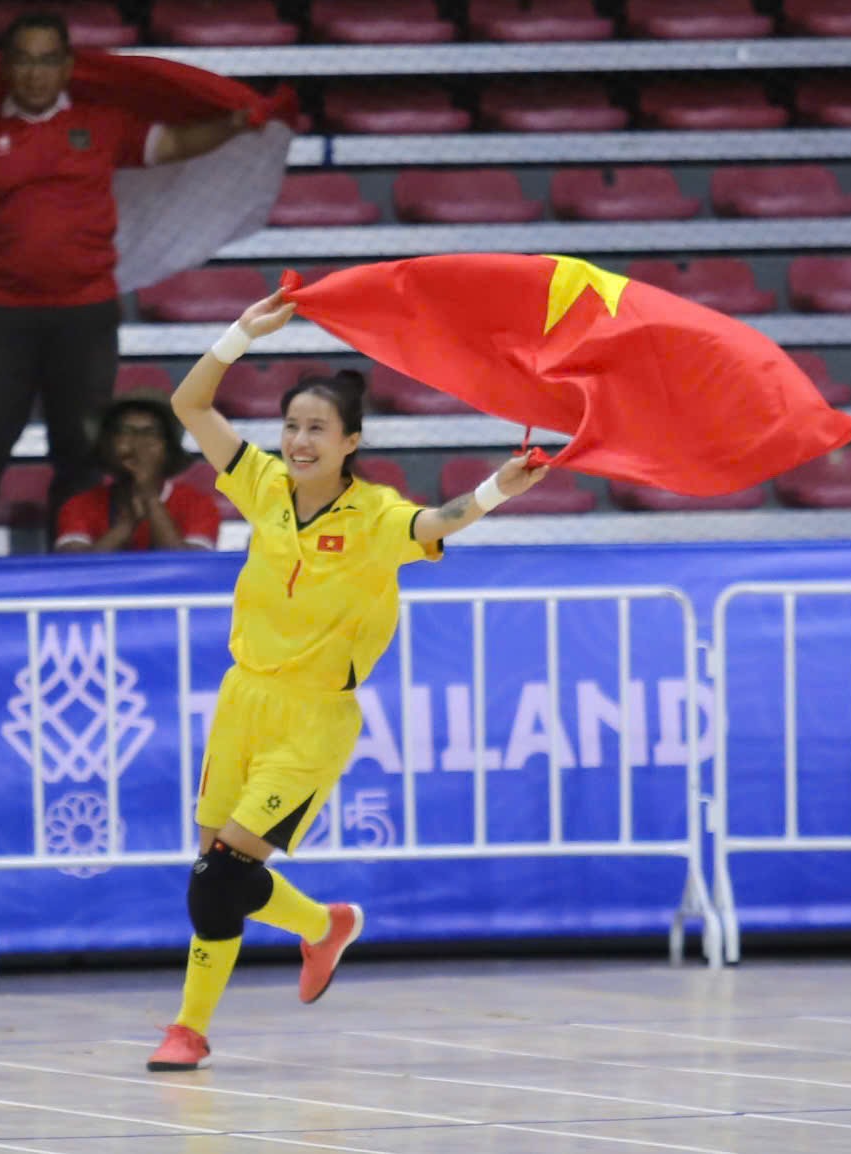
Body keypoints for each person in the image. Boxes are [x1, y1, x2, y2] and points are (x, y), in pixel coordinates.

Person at [146, 290, 550, 1072]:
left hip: (312, 718)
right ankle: (323, 927)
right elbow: (188, 403)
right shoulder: (260, 483)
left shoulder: (373, 517)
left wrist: (499, 488)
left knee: (220, 876)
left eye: (317, 429)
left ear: (350, 442)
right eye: (291, 425)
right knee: (218, 875)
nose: (299, 440)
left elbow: (439, 521)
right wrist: (236, 332)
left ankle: (189, 1030)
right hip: (241, 700)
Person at [0, 12, 258, 555]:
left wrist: (233, 124)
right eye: (24, 60)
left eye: (47, 60)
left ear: (67, 67)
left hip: (86, 313)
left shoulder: (101, 123)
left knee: (79, 452)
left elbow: (171, 144)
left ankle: (67, 569)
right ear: (6, 68)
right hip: (4, 317)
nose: (35, 73)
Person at [54, 389, 218, 552]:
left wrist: (149, 496)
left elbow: (190, 569)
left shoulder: (198, 504)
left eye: (151, 433)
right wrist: (126, 525)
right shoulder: (79, 505)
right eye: (125, 432)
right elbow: (75, 571)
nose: (138, 444)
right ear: (105, 448)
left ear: (168, 451)